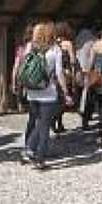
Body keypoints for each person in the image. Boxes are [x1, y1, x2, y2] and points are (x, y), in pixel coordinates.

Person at [21, 21, 68, 170]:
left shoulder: (30, 47)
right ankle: (38, 157)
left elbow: (24, 66)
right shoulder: (55, 50)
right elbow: (59, 73)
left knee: (40, 123)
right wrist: (66, 92)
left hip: (32, 93)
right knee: (44, 125)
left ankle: (30, 149)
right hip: (48, 93)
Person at [51, 21, 76, 134]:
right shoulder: (68, 44)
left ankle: (58, 123)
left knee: (56, 99)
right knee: (64, 100)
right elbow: (73, 61)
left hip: (53, 75)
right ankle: (56, 120)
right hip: (65, 74)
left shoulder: (52, 43)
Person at [74, 27, 98, 130]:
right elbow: (93, 57)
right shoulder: (93, 41)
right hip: (89, 70)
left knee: (80, 93)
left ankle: (81, 112)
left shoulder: (77, 39)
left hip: (79, 70)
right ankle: (86, 119)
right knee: (89, 95)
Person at [11, 24, 33, 115]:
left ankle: (20, 106)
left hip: (21, 73)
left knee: (20, 92)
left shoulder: (20, 49)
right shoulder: (35, 47)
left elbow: (16, 66)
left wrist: (13, 81)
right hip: (31, 74)